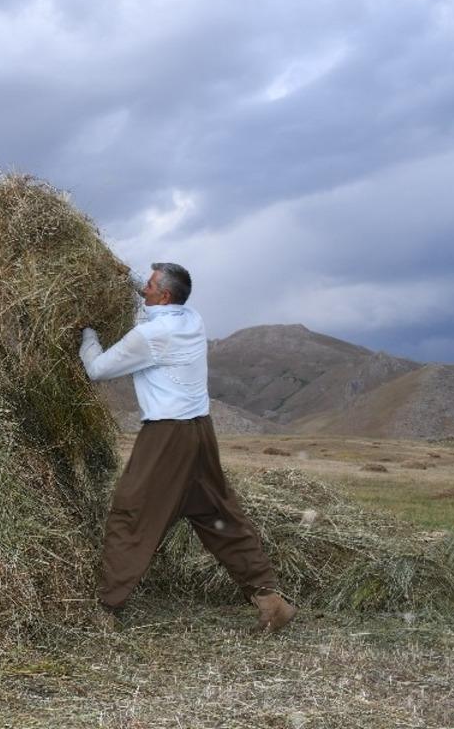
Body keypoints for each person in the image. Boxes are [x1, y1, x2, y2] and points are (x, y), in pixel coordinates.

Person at [79, 262, 297, 633]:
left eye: (148, 285)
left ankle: (107, 609)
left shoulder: (151, 336)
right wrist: (122, 275)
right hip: (201, 434)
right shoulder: (192, 319)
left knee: (131, 513)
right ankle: (270, 600)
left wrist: (86, 333)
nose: (142, 288)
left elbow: (97, 369)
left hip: (167, 438)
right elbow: (155, 297)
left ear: (163, 295)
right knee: (220, 517)